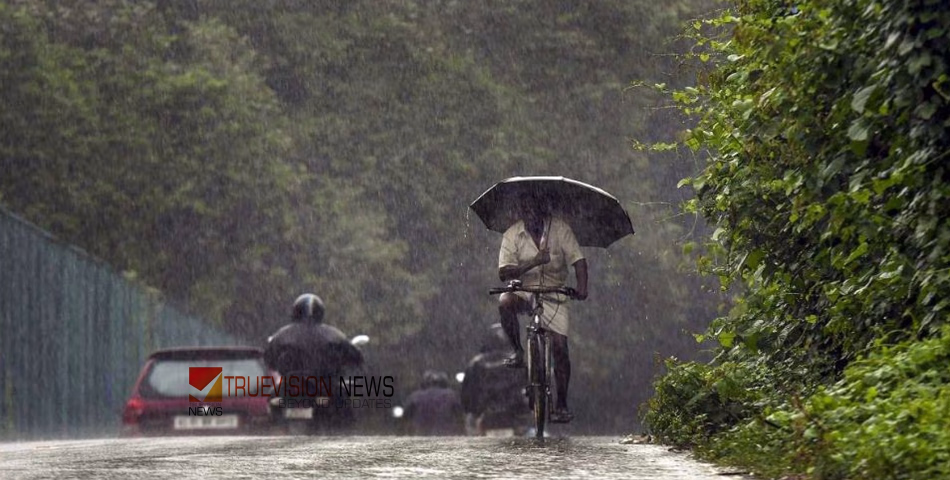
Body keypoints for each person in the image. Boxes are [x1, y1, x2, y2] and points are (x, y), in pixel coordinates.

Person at [497, 194, 587, 424]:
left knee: (560, 348)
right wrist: (534, 262)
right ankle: (517, 351)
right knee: (505, 302)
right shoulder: (512, 234)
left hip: (554, 293)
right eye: (526, 213)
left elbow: (579, 260)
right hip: (525, 290)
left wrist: (582, 288)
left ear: (544, 212)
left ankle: (562, 403)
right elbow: (504, 273)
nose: (531, 218)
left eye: (536, 213)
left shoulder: (560, 230)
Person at [265, 293, 364, 431]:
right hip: (323, 386)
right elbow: (356, 357)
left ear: (295, 312)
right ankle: (344, 436)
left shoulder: (282, 335)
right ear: (320, 312)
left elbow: (269, 359)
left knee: (272, 399)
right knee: (344, 405)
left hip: (291, 388)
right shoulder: (333, 334)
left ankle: (274, 428)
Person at [461, 324, 529, 435]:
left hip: (485, 414)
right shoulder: (517, 362)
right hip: (512, 415)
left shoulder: (476, 363)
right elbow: (527, 388)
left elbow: (467, 394)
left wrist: (472, 410)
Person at [402, 370, 464, 435]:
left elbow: (406, 418)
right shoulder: (451, 395)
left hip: (421, 434)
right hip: (445, 435)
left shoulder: (415, 396)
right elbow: (459, 417)